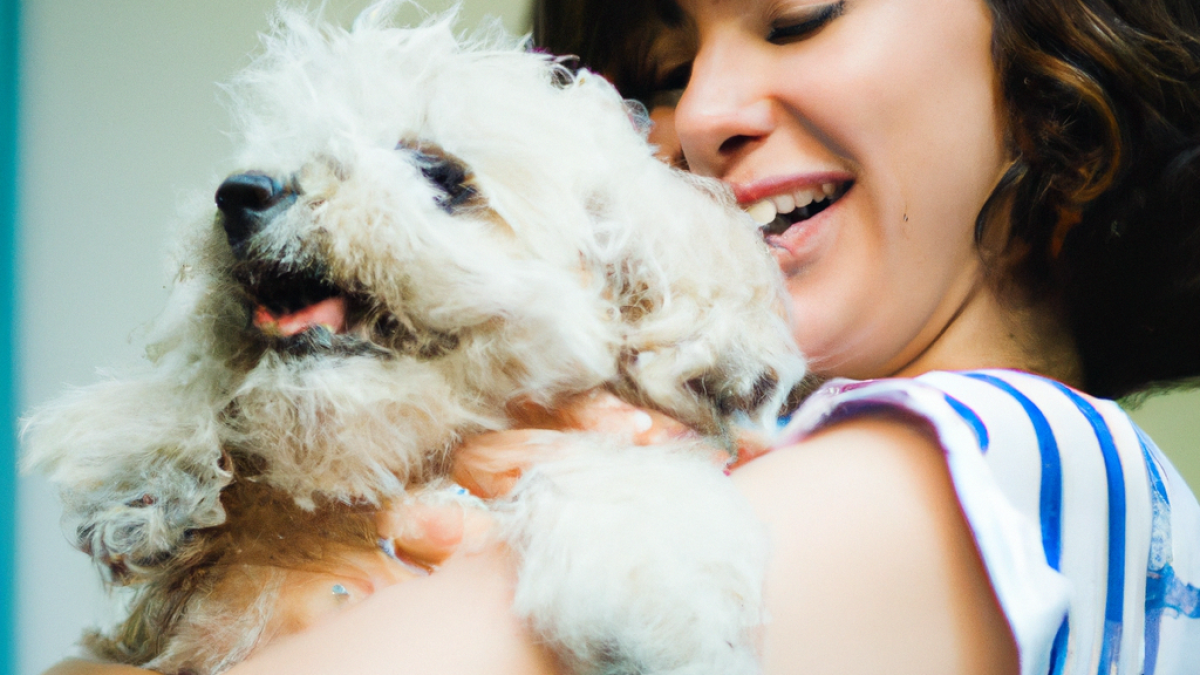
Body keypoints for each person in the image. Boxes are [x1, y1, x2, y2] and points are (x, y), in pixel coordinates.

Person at [47, 0, 1200, 673]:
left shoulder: (1007, 454)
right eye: (660, 73)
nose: (697, 117)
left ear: (1060, 81)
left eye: (799, 12)